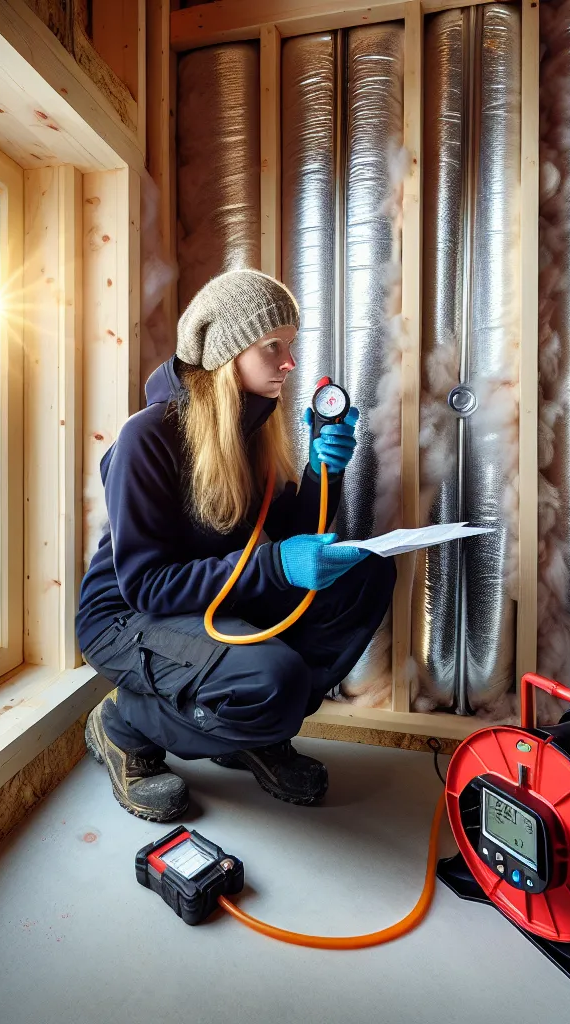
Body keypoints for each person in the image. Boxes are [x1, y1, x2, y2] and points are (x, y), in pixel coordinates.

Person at [76, 269, 395, 822]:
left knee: (364, 575)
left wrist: (323, 471)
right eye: (272, 345)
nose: (289, 362)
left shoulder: (250, 434)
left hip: (208, 601)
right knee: (276, 680)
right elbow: (148, 584)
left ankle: (250, 730)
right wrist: (276, 564)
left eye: (290, 346)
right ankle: (126, 724)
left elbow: (291, 534)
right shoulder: (146, 439)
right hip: (127, 617)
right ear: (228, 353)